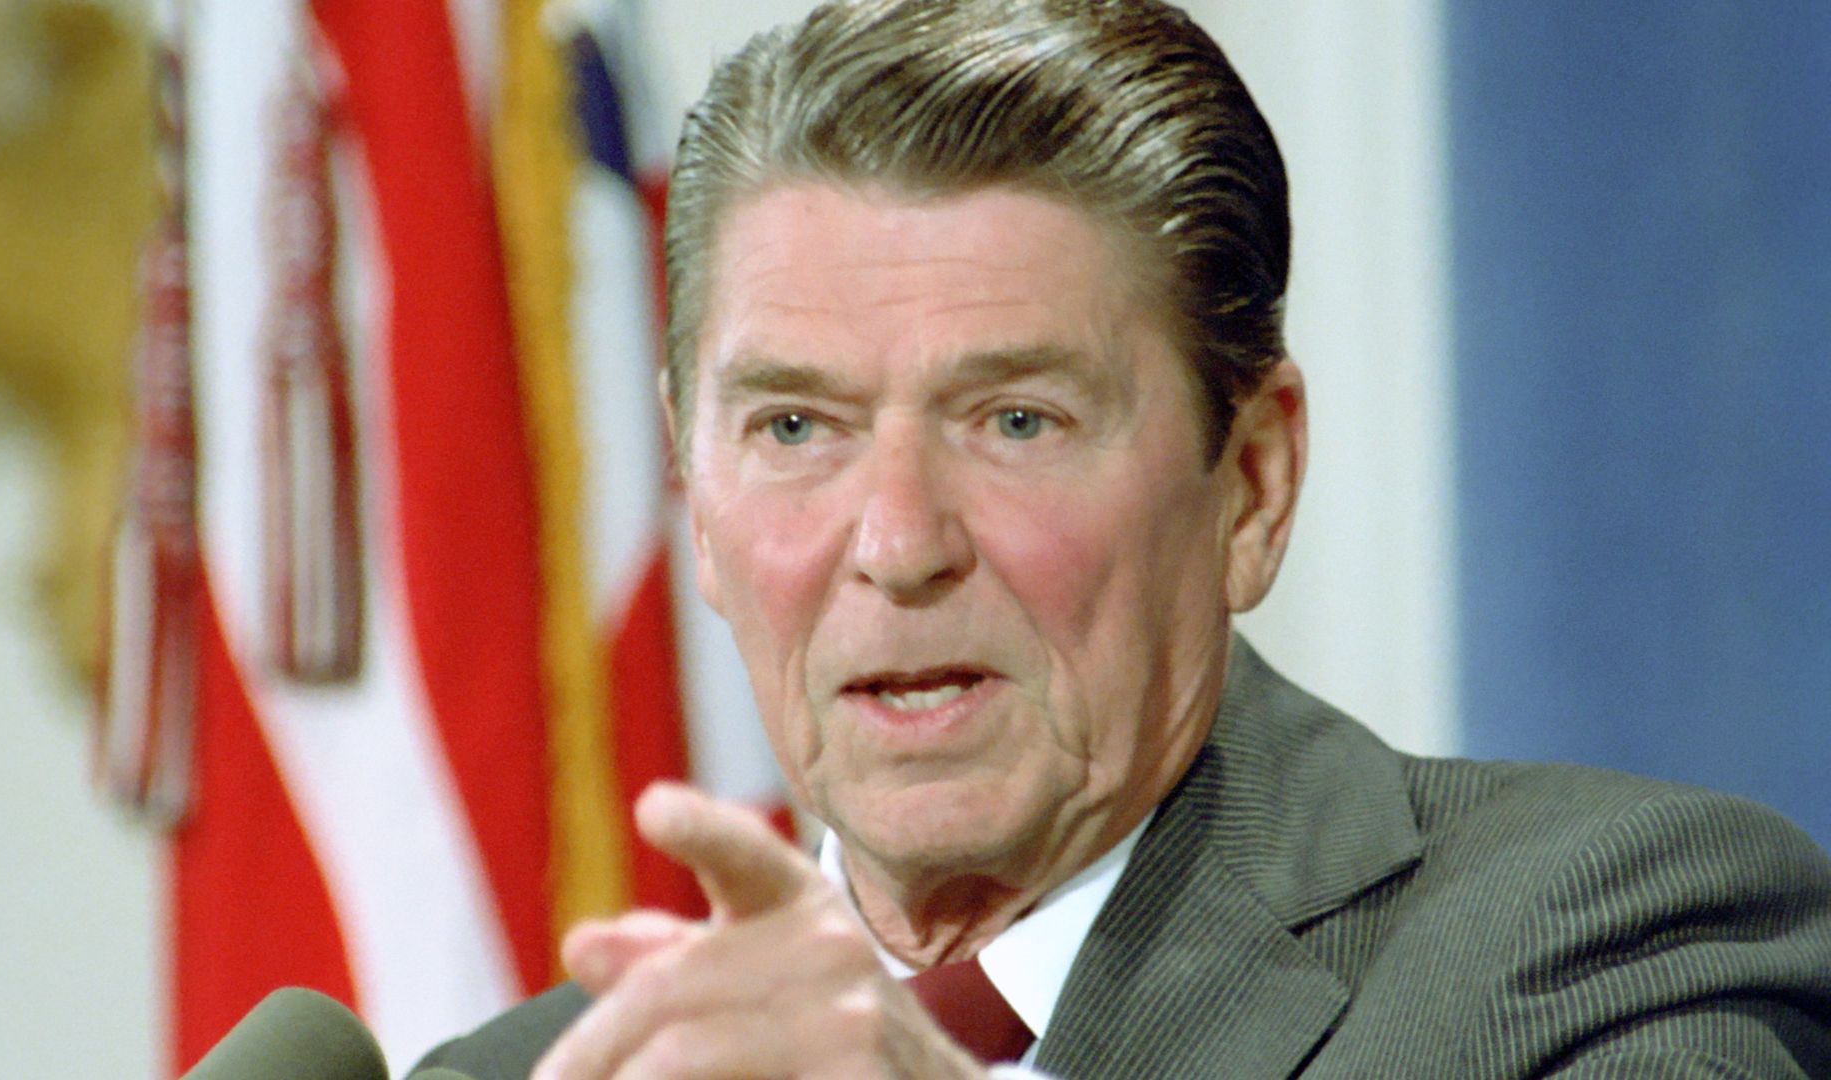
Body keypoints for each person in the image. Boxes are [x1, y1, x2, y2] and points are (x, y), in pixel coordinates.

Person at [419, 1, 1831, 1076]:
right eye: (797, 429)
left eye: (1017, 421)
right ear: (693, 492)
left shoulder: (1610, 951)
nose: (900, 544)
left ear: (1254, 484)